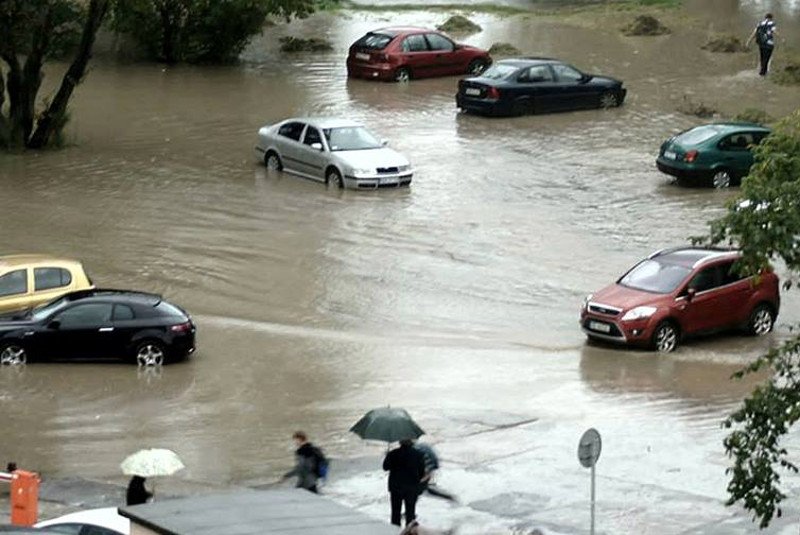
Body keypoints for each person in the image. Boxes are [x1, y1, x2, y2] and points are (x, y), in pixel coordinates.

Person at [383, 439, 426, 527]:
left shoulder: (393, 453)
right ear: (412, 443)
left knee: (395, 513)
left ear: (400, 443)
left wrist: (387, 456)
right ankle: (409, 532)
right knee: (410, 513)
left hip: (396, 487)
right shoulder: (418, 454)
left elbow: (385, 467)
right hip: (412, 488)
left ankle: (395, 531)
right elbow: (422, 473)